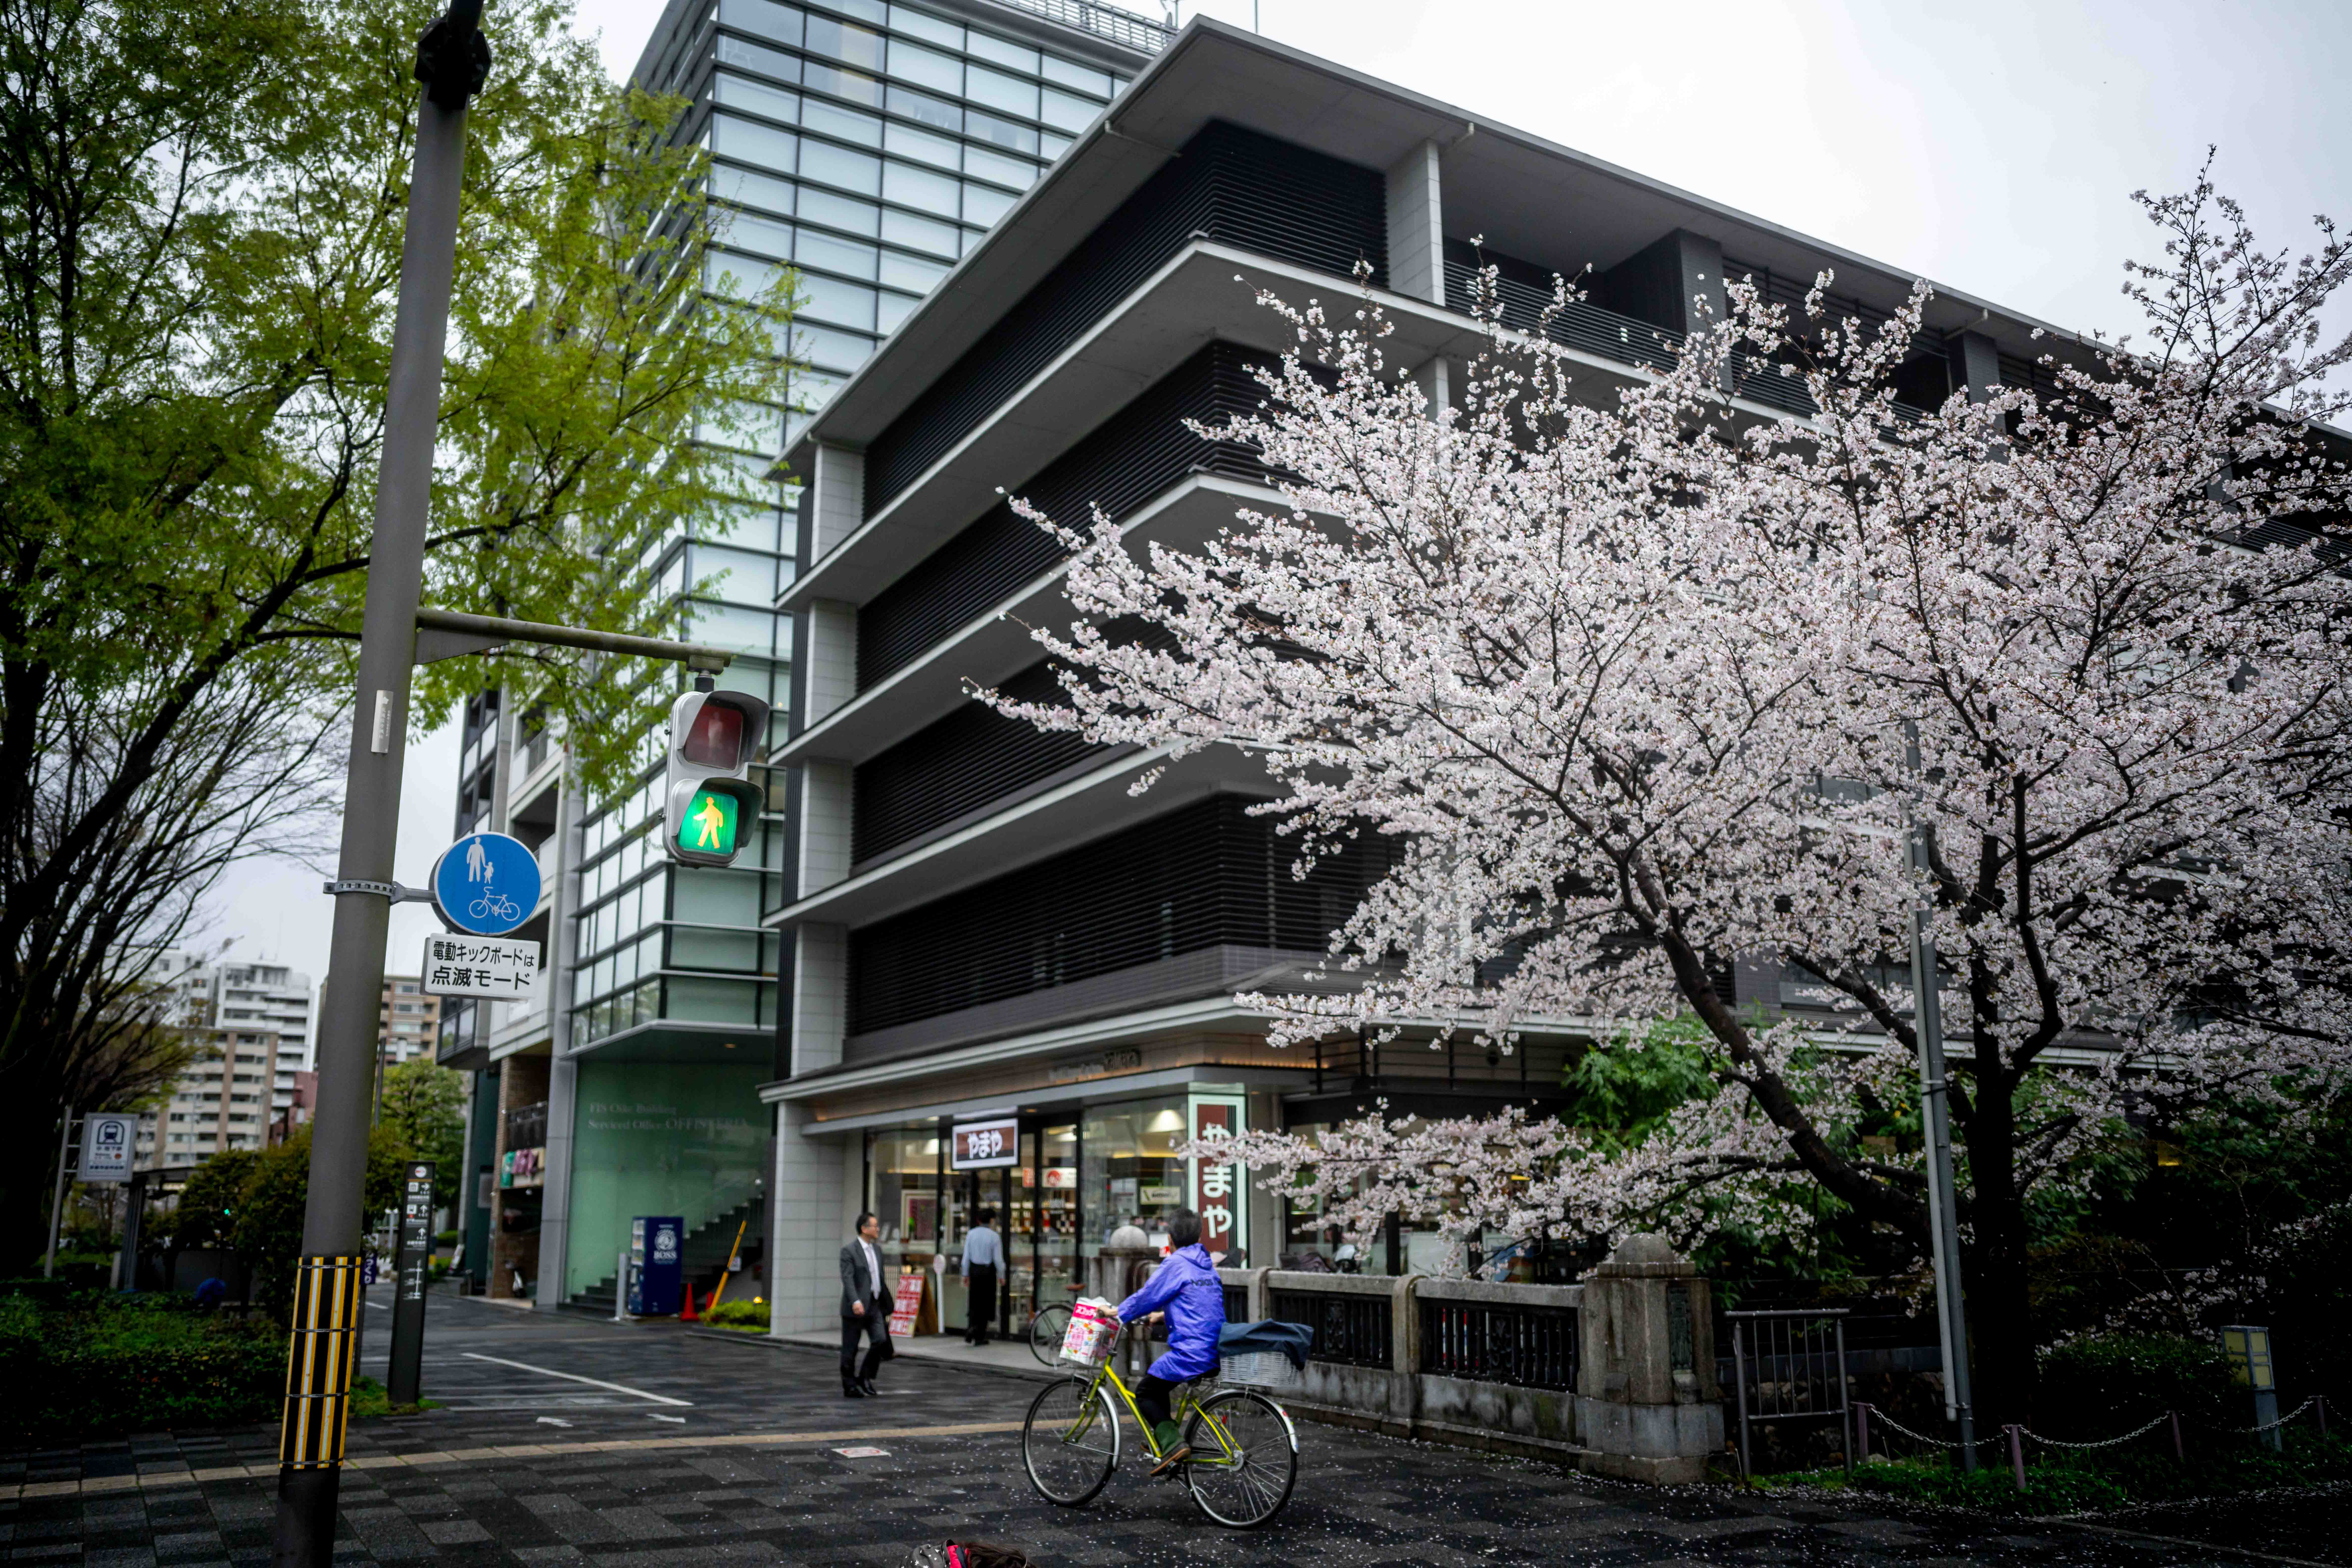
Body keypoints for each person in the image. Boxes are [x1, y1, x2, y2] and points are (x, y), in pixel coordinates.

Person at [1112, 1206, 1225, 1476]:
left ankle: (1173, 1444)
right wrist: (1164, 1316)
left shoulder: (1176, 1263)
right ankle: (1169, 1445)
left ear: (1170, 1239)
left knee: (1147, 1392)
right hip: (1213, 1346)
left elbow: (1146, 1297)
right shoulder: (1206, 1264)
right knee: (1159, 1386)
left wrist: (1116, 1312)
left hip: (1192, 1352)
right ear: (1199, 1237)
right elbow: (1197, 1303)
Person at [839, 1210, 892, 1398]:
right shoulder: (849, 1251)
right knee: (850, 1349)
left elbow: (879, 1277)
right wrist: (855, 1301)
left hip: (875, 1305)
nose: (878, 1229)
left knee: (880, 1340)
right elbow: (848, 1279)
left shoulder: (877, 1250)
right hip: (856, 1307)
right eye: (875, 1226)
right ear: (864, 1229)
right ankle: (850, 1385)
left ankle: (865, 1377)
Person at [959, 1206, 1004, 1346]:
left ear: (979, 1220)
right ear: (991, 1221)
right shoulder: (995, 1236)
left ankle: (972, 1328)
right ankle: (979, 1334)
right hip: (988, 1272)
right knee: (986, 1303)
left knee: (975, 1302)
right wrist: (1002, 1275)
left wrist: (965, 1274)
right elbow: (998, 1260)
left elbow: (966, 1257)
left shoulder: (971, 1234)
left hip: (974, 1271)